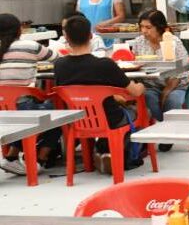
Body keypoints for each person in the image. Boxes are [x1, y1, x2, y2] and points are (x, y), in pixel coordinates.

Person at [54, 14, 145, 174]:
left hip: (77, 120)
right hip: (111, 119)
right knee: (140, 111)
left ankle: (102, 151)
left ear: (66, 38)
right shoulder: (105, 65)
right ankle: (122, 154)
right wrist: (142, 85)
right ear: (91, 36)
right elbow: (135, 92)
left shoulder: (59, 65)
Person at [0, 14, 59, 175]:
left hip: (3, 109)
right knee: (59, 113)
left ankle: (11, 157)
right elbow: (57, 59)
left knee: (21, 112)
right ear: (19, 30)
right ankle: (39, 160)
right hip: (23, 108)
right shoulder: (30, 46)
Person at [129, 9, 189, 128]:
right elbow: (134, 64)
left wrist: (166, 91)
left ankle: (171, 129)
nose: (144, 31)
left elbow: (182, 69)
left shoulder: (173, 41)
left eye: (148, 27)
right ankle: (163, 127)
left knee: (172, 100)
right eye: (141, 27)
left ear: (159, 27)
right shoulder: (138, 42)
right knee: (148, 98)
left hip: (176, 85)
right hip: (151, 85)